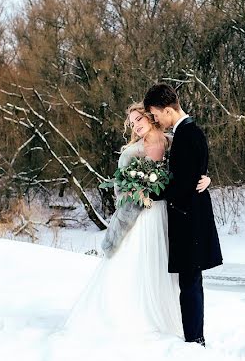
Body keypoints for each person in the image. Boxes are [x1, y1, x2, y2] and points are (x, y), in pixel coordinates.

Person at [64, 103, 211, 337]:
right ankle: (130, 316)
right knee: (135, 263)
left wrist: (207, 178)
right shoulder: (130, 153)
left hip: (169, 215)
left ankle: (170, 318)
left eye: (139, 119)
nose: (136, 125)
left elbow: (188, 169)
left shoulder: (173, 143)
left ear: (150, 117)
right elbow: (120, 193)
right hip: (141, 217)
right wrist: (138, 192)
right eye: (132, 123)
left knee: (165, 267)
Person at [145, 84, 223, 346]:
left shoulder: (188, 134)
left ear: (168, 110)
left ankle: (195, 339)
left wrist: (150, 193)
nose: (156, 120)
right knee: (191, 281)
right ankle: (195, 336)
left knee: (189, 283)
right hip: (190, 217)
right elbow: (195, 174)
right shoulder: (188, 133)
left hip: (190, 220)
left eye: (156, 115)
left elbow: (184, 183)